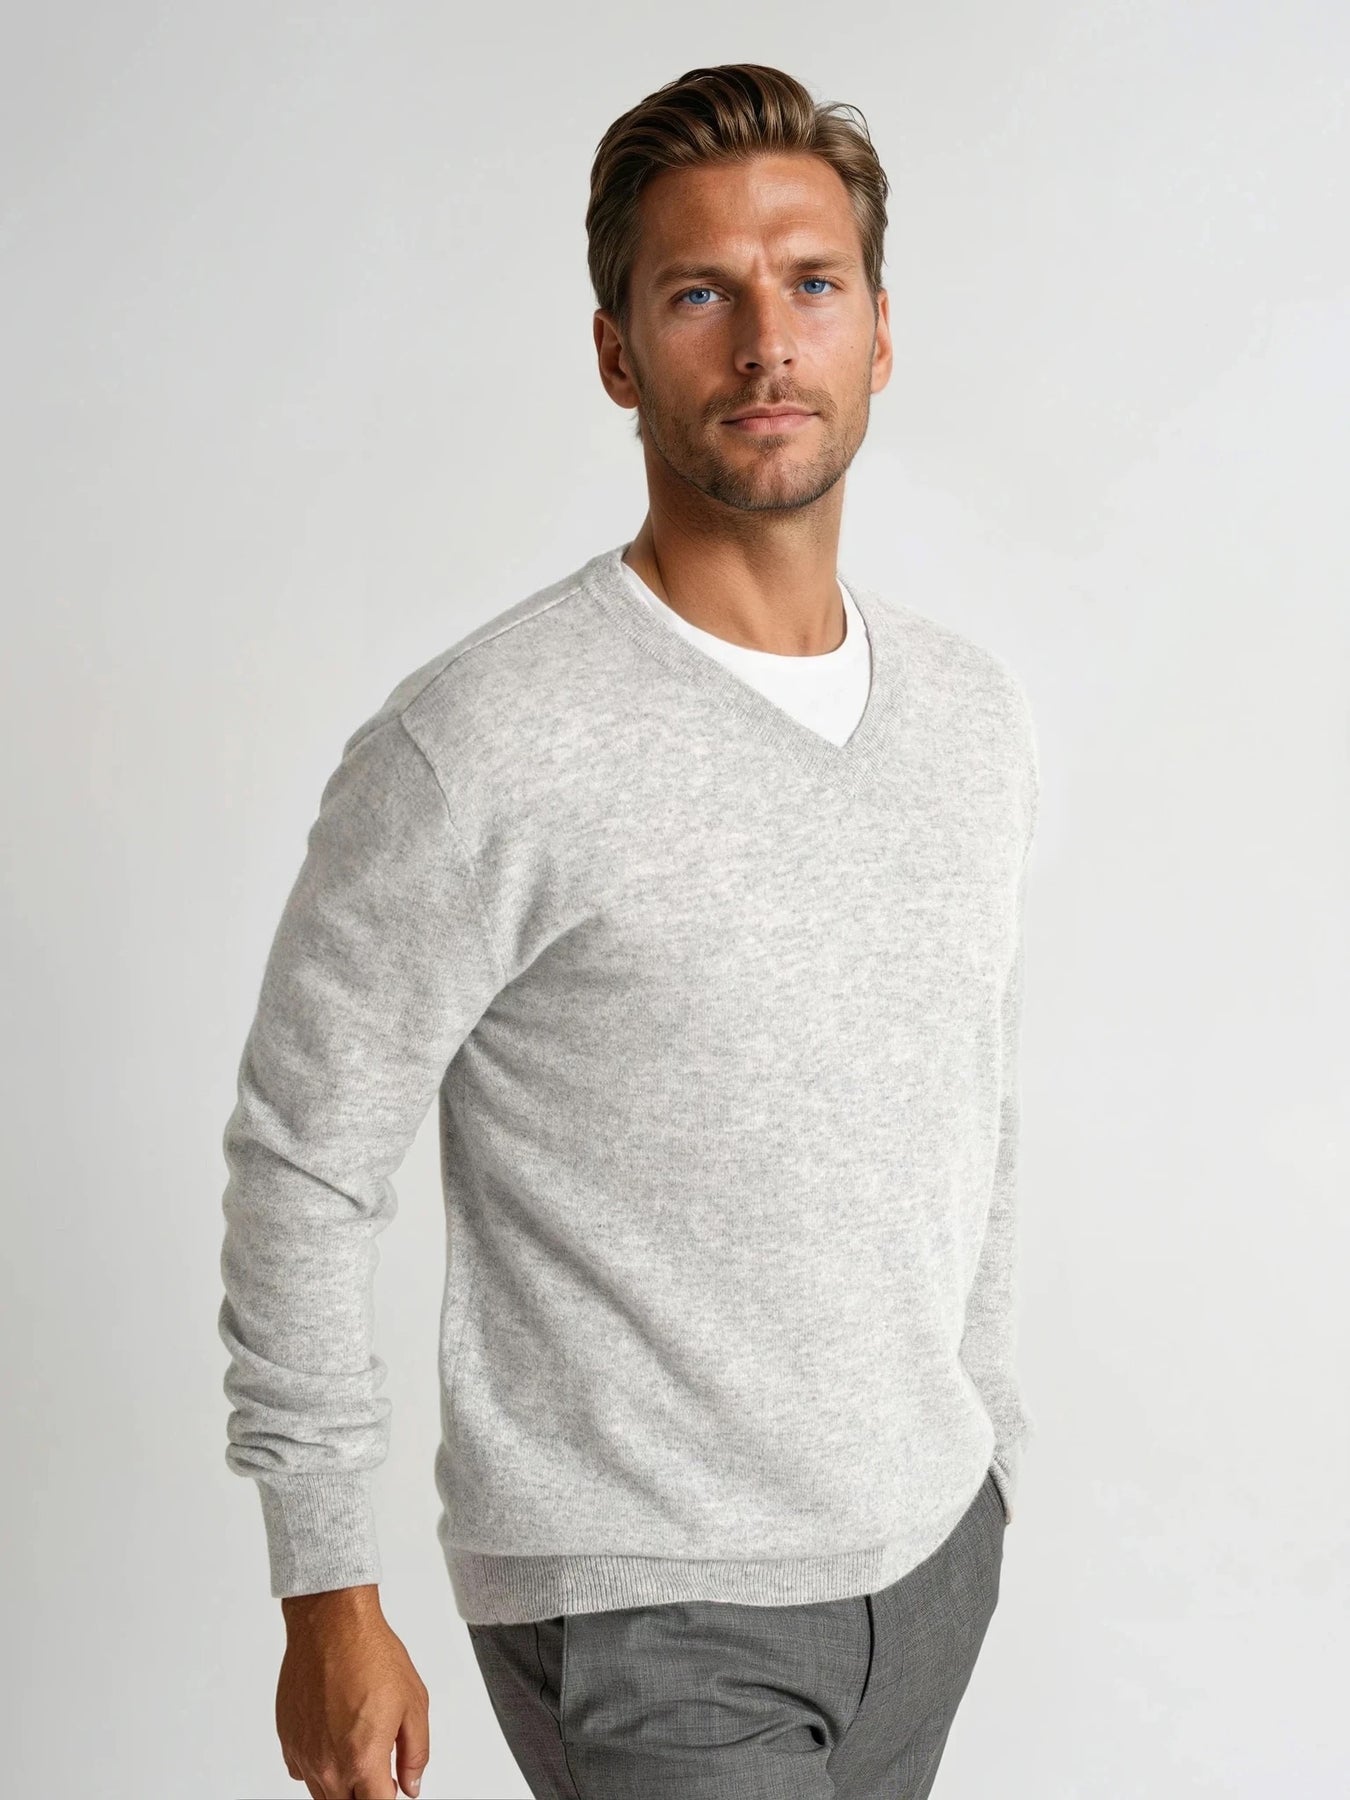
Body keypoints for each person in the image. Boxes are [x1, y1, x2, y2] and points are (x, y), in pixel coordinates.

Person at [219, 61, 1040, 1800]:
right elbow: (304, 1163)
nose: (767, 343)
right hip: (650, 1609)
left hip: (927, 1559)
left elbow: (971, 1097)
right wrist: (325, 1587)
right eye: (698, 295)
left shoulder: (969, 715)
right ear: (616, 354)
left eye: (811, 283)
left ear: (880, 332)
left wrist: (982, 1454)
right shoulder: (479, 744)